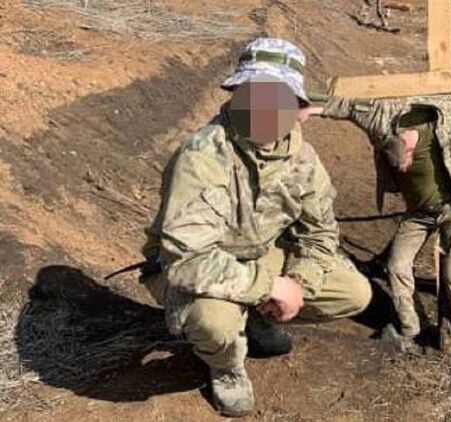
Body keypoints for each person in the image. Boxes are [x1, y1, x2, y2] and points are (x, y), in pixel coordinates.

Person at [139, 38, 372, 417]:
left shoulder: (303, 159)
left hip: (260, 254)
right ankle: (226, 366)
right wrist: (270, 286)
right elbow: (187, 261)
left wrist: (298, 284)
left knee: (353, 292)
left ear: (300, 110)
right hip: (197, 265)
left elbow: (319, 235)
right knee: (212, 323)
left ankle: (257, 317)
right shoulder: (202, 156)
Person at [319, 84, 451, 353]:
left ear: (411, 151)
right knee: (397, 265)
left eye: (405, 166)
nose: (404, 171)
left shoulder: (444, 122)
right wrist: (308, 108)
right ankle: (411, 329)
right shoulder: (382, 125)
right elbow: (350, 109)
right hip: (418, 216)